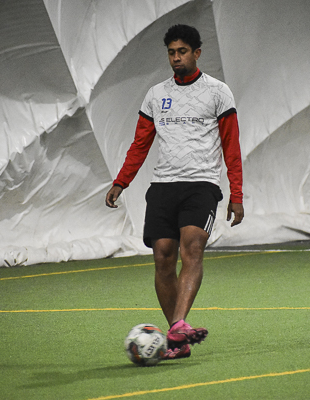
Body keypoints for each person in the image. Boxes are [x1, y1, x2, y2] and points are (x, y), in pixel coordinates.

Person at [105, 24, 244, 360]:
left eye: (182, 51)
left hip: (202, 185)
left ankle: (178, 324)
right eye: (171, 52)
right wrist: (121, 181)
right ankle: (177, 338)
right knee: (163, 258)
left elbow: (231, 146)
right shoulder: (156, 95)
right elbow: (140, 144)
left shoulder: (218, 92)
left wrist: (236, 194)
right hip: (163, 186)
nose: (176, 58)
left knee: (191, 249)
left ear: (197, 53)